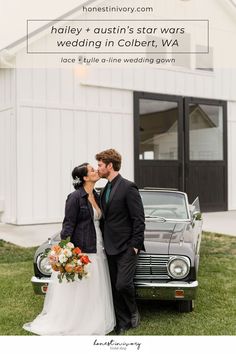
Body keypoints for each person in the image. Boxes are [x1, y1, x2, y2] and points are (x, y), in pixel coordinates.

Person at [23, 163, 115, 335]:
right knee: (80, 290)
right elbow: (68, 225)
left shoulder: (96, 195)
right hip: (83, 249)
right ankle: (75, 322)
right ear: (85, 178)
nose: (96, 171)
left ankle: (93, 320)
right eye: (92, 170)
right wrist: (63, 250)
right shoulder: (74, 198)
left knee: (95, 289)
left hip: (99, 247)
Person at [95, 149, 145, 335]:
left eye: (100, 165)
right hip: (108, 246)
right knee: (113, 287)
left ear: (110, 165)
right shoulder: (104, 189)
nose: (98, 168)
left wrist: (135, 246)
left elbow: (138, 219)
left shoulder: (128, 187)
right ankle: (121, 322)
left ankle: (133, 311)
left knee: (122, 284)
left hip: (126, 246)